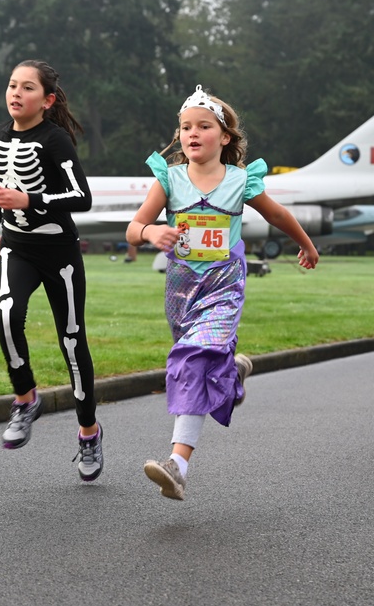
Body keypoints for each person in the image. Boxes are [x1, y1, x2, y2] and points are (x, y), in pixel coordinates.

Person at [126, 85, 319, 500]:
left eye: (203, 126)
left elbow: (278, 214)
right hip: (181, 289)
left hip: (223, 285)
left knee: (191, 361)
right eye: (185, 127)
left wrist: (305, 243)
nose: (192, 134)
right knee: (198, 357)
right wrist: (151, 229)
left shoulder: (239, 180)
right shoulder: (169, 178)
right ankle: (232, 373)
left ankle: (177, 465)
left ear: (225, 136)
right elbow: (133, 228)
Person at [0, 60, 103, 482]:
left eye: (28, 87)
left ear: (47, 100)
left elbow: (80, 197)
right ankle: (25, 398)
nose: (16, 93)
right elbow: (0, 188)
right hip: (17, 248)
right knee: (5, 314)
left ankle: (88, 432)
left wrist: (30, 199)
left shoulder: (55, 140)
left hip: (59, 253)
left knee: (72, 343)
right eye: (13, 85)